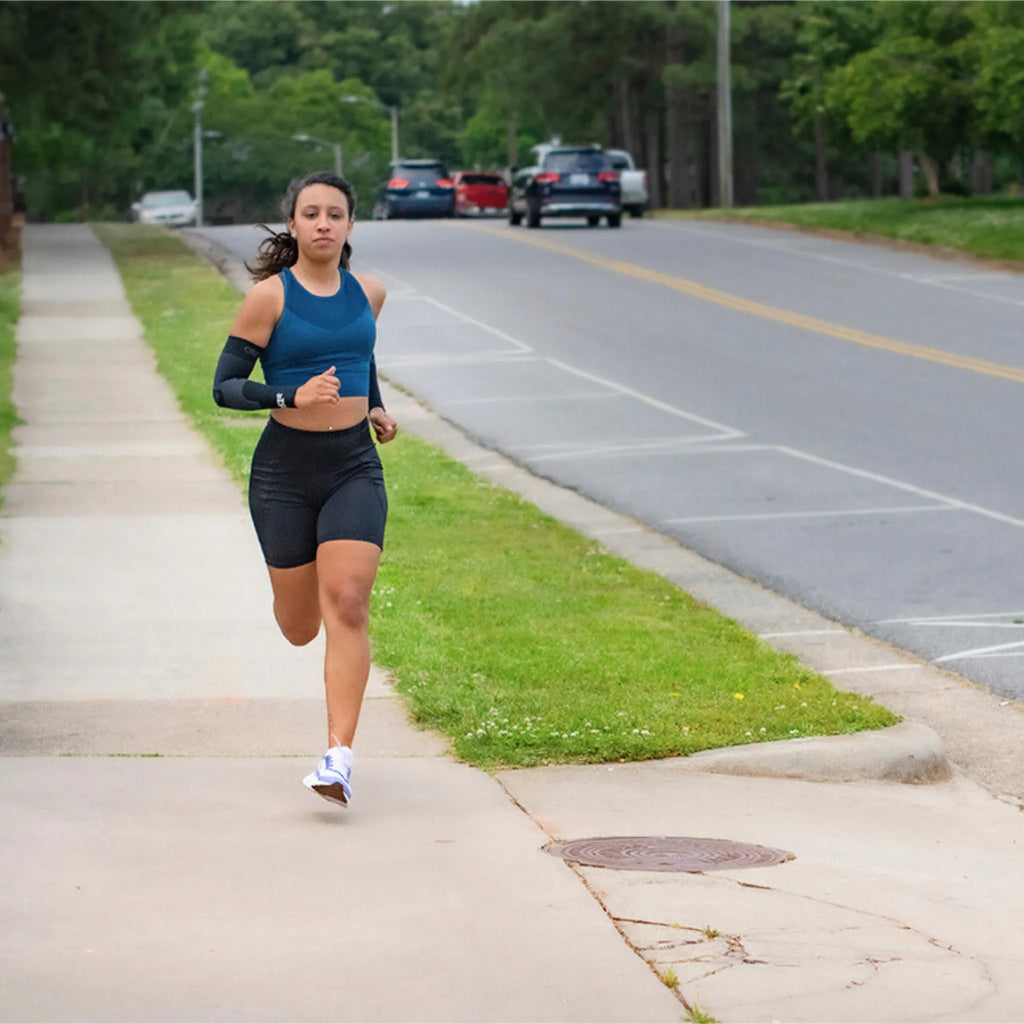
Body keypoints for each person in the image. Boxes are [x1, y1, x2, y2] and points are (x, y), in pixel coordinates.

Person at [212, 170, 398, 808]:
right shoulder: (270, 297)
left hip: (352, 465)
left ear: (349, 226)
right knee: (299, 626)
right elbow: (225, 386)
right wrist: (288, 393)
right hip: (284, 473)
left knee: (347, 599)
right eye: (311, 213)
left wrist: (371, 405)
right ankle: (304, 586)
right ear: (292, 224)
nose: (323, 223)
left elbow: (360, 352)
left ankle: (337, 759)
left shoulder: (368, 291)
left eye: (335, 214)